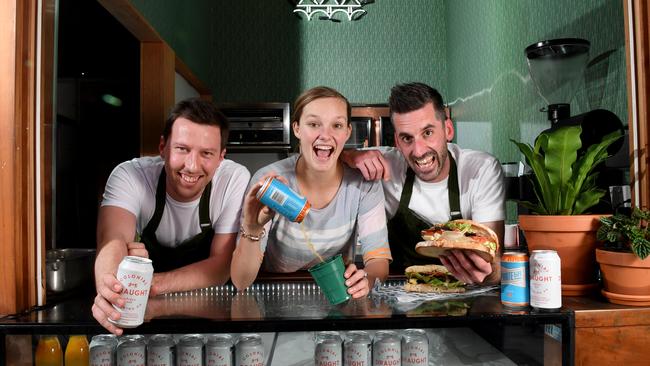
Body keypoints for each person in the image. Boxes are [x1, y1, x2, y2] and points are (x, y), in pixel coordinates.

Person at [92, 98, 250, 335]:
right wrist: (110, 287)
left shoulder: (234, 180)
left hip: (209, 309)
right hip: (140, 313)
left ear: (221, 158)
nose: (192, 166)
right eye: (182, 149)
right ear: (162, 147)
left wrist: (152, 284)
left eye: (206, 153)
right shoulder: (130, 175)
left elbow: (222, 264)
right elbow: (112, 240)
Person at [230, 86, 392, 297]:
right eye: (314, 124)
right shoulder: (271, 181)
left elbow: (378, 262)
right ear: (296, 128)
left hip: (338, 299)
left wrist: (367, 280)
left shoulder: (364, 183)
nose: (325, 135)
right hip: (274, 299)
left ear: (347, 132)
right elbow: (241, 281)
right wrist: (252, 227)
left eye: (337, 125)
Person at [342, 82, 505, 284]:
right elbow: (318, 160)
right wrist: (349, 156)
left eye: (428, 133)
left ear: (448, 129)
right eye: (407, 138)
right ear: (397, 141)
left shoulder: (480, 170)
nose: (418, 151)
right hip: (402, 295)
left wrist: (489, 273)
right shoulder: (386, 165)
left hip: (466, 293)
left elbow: (493, 259)